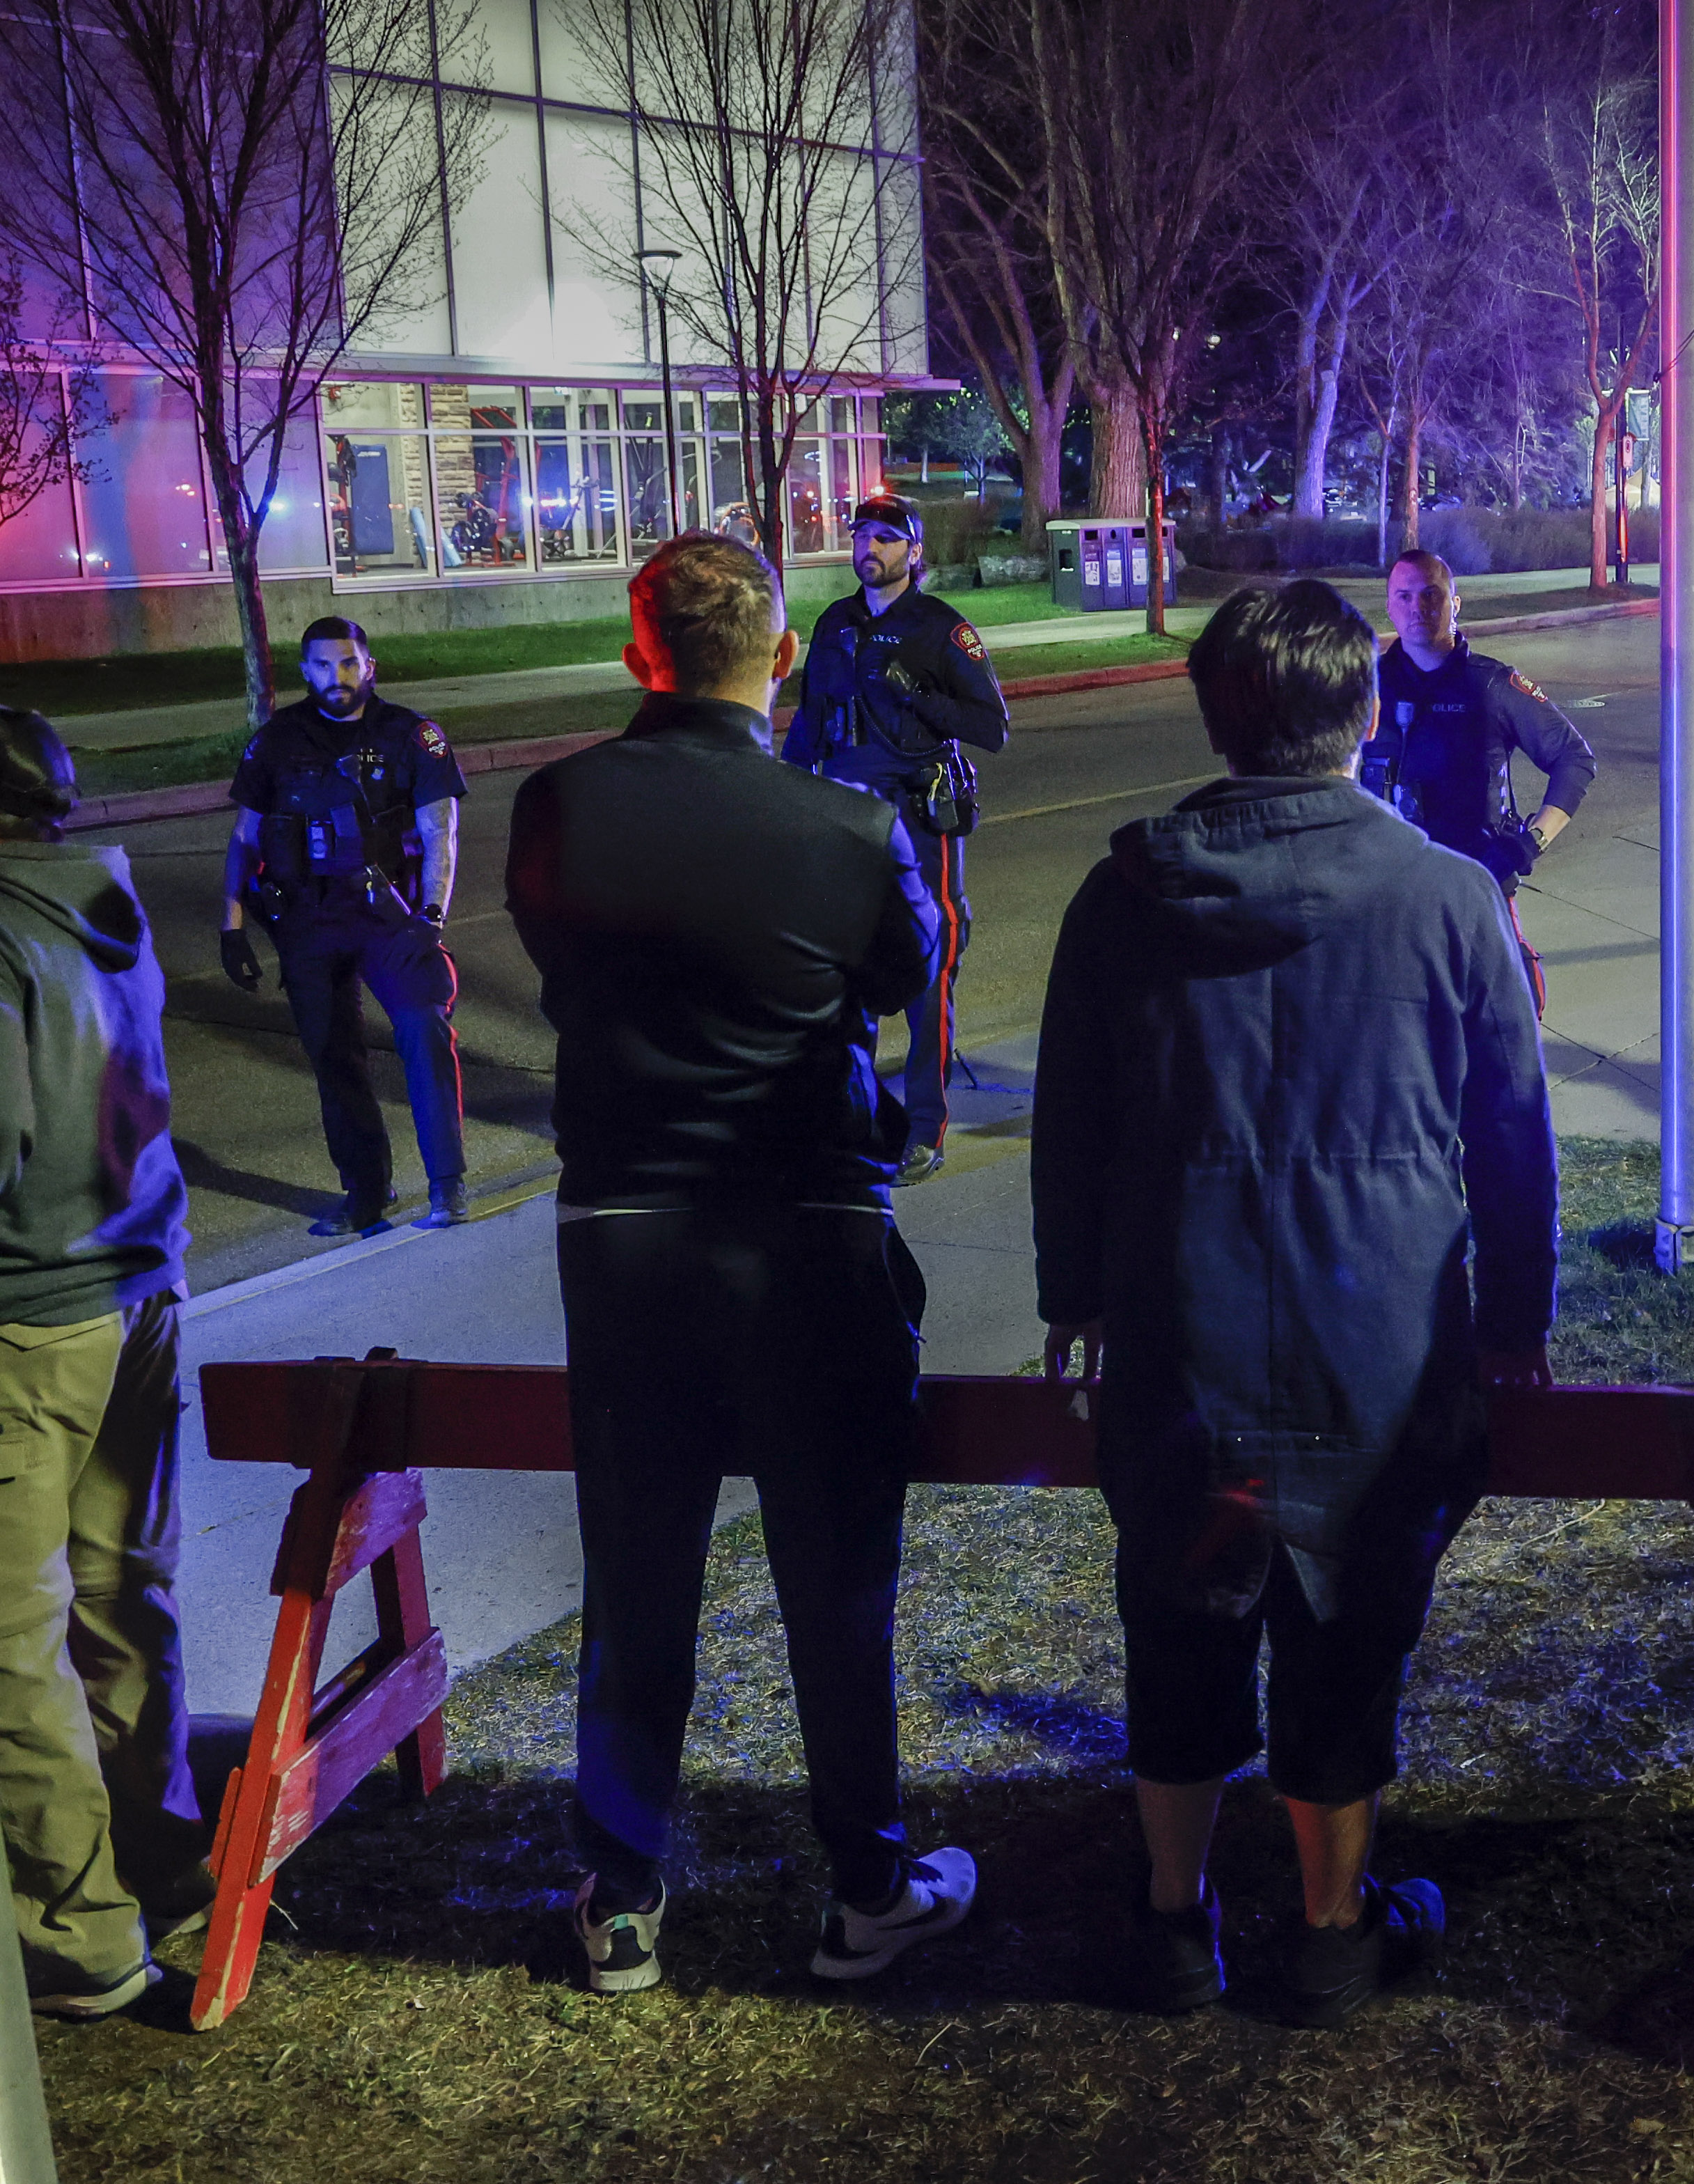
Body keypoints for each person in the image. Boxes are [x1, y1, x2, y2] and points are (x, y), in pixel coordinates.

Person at [1033, 578, 1557, 2029]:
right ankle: (1332, 1927)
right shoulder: (1452, 897)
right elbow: (1514, 1130)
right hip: (1378, 1340)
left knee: (1180, 1614)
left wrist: (1071, 1291)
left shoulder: (1127, 888)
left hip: (1180, 1330)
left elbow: (1070, 1115)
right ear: (1367, 712)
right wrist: (1517, 1319)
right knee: (1349, 1626)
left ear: (1214, 713)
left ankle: (1171, 1916)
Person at [507, 533, 973, 1995]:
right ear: (779, 659)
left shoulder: (556, 807)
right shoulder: (843, 828)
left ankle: (626, 1890)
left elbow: (561, 962)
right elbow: (907, 974)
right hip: (810, 1233)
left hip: (627, 1237)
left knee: (638, 1565)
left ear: (639, 653)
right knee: (837, 1575)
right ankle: (866, 1881)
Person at [0, 708, 201, 2021]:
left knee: (13, 1638)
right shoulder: (98, 896)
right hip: (137, 1289)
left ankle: (81, 1939)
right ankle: (163, 1854)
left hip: (27, 1316)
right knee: (124, 1596)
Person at [783, 492, 1012, 1185]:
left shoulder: (942, 629)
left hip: (918, 823)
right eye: (861, 535)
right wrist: (784, 799)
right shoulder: (835, 624)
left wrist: (918, 694)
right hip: (845, 819)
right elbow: (812, 719)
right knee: (846, 977)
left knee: (926, 978)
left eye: (885, 538)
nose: (868, 548)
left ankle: (923, 1128)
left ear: (915, 552)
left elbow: (992, 727)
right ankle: (855, 1121)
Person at [217, 616, 471, 1236]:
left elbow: (441, 832)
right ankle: (365, 1192)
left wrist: (432, 916)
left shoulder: (413, 735)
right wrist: (231, 923)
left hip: (391, 918)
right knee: (334, 1057)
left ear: (370, 665)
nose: (339, 677)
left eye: (350, 662)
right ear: (306, 671)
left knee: (423, 1027)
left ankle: (448, 1184)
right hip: (308, 921)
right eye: (325, 666)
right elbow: (245, 837)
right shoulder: (277, 740)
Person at [1365, 552, 1597, 897]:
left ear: (1454, 603)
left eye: (1431, 594)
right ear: (1389, 607)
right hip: (1387, 887)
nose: (1418, 607)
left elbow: (1574, 758)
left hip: (1475, 885)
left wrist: (1531, 842)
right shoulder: (1364, 685)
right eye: (1405, 596)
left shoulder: (1493, 686)